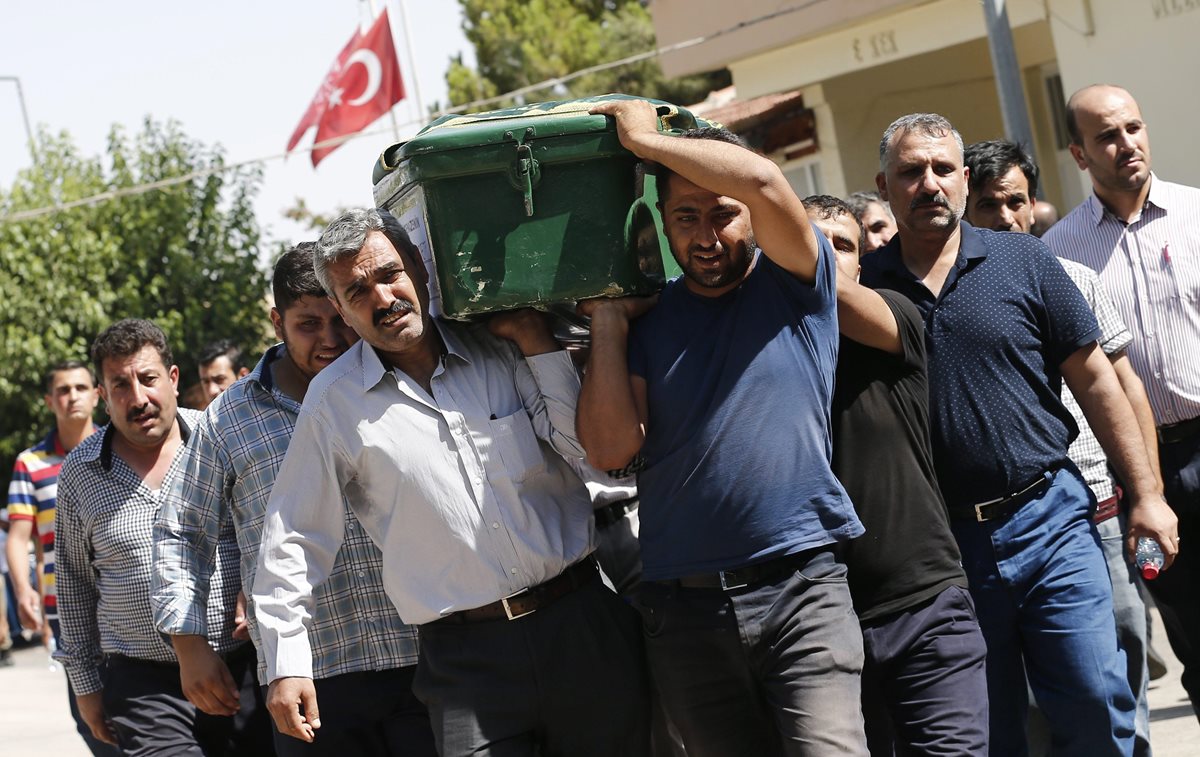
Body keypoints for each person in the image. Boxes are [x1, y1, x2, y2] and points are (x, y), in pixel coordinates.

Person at [252, 209, 649, 757]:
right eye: (357, 291)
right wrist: (286, 664)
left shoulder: (503, 344)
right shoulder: (333, 404)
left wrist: (536, 339)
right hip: (466, 664)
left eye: (390, 273)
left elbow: (585, 453)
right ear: (341, 310)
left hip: (582, 626)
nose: (383, 298)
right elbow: (292, 536)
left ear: (418, 266)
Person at [861, 112, 1177, 755]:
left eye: (943, 170)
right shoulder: (865, 289)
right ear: (884, 185)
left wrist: (1146, 494)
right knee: (989, 729)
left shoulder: (1024, 260)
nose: (929, 184)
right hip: (943, 553)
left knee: (1095, 700)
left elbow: (1097, 382)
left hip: (1050, 519)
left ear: (963, 177)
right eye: (910, 172)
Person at [577, 99, 867, 756]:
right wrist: (610, 322)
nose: (706, 235)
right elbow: (610, 447)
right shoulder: (650, 321)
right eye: (686, 217)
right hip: (685, 611)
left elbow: (764, 182)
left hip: (802, 592)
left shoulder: (796, 280)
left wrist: (648, 142)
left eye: (722, 214)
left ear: (749, 216)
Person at [153, 243, 435, 756]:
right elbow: (180, 529)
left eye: (340, 320)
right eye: (309, 324)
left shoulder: (402, 381)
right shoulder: (229, 420)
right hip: (307, 679)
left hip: (427, 656)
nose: (331, 340)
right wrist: (189, 643)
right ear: (276, 322)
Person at [965, 138, 1160, 755]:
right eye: (989, 204)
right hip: (1012, 525)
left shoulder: (1074, 278)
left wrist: (1145, 494)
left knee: (1115, 677)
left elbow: (1125, 392)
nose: (1005, 217)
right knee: (1030, 703)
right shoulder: (956, 295)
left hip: (1099, 510)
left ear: (1033, 203)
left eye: (1016, 202)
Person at [803, 194, 989, 754]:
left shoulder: (893, 316)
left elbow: (823, 289)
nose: (828, 256)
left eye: (842, 245)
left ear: (863, 261)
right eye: (813, 241)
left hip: (924, 607)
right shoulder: (759, 349)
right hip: (817, 625)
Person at [1044, 83, 1200, 720]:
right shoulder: (1057, 253)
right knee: (1188, 625)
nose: (1126, 144)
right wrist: (1141, 489)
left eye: (1133, 127)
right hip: (1141, 473)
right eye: (1106, 135)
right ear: (1079, 155)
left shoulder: (1196, 216)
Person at [55, 318, 270, 755]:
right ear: (102, 395)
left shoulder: (219, 440)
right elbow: (74, 587)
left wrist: (254, 584)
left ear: (172, 380)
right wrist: (86, 688)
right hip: (142, 687)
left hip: (244, 671)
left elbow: (269, 532)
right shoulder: (79, 473)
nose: (138, 398)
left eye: (148, 379)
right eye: (120, 385)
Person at [6, 360, 118, 755]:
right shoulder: (30, 464)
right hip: (66, 611)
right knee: (90, 716)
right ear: (49, 400)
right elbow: (19, 539)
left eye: (80, 387)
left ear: (96, 394)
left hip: (122, 602)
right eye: (63, 390)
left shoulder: (120, 445)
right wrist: (23, 591)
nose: (73, 397)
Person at [197, 340, 248, 410]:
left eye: (219, 379)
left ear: (243, 376)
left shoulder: (266, 413)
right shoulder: (200, 420)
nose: (212, 391)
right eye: (206, 382)